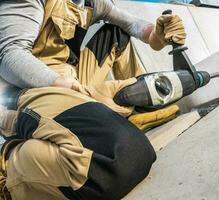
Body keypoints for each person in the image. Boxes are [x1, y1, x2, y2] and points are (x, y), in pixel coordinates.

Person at [0, 0, 186, 199]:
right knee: (126, 158)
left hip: (72, 76)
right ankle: (14, 167)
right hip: (33, 87)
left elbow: (131, 24)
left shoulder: (91, 2)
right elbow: (10, 56)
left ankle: (136, 108)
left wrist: (156, 35)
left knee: (117, 32)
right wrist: (72, 88)